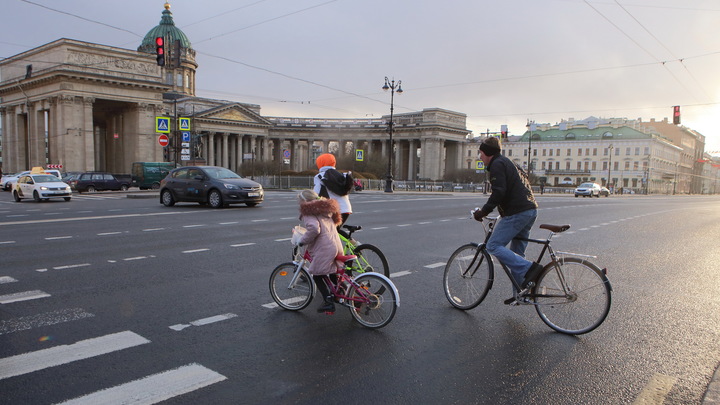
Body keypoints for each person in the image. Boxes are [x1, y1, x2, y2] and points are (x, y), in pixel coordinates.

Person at [472, 136, 544, 305]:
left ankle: (530, 269)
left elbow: (499, 193)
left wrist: (484, 211)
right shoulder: (509, 162)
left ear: (488, 153)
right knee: (517, 254)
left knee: (493, 245)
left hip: (517, 212)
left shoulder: (497, 165)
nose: (479, 157)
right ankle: (522, 294)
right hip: (530, 210)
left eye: (481, 153)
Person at [296, 189, 344, 314]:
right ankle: (342, 292)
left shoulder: (309, 212)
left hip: (326, 248)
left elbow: (313, 229)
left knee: (317, 274)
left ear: (305, 201)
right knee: (333, 271)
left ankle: (328, 301)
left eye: (299, 201)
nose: (299, 203)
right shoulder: (325, 209)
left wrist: (302, 241)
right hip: (336, 244)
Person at [313, 153, 353, 232]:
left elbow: (315, 193)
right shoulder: (341, 175)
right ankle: (355, 243)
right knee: (335, 231)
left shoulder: (320, 176)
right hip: (346, 208)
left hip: (334, 210)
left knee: (325, 232)